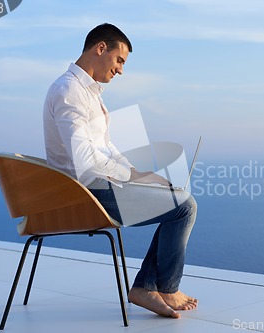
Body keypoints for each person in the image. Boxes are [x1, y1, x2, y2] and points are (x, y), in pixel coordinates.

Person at [43, 23, 198, 318]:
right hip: (86, 194)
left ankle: (151, 286)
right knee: (184, 207)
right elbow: (84, 159)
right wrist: (129, 177)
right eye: (120, 60)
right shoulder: (69, 91)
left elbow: (106, 148)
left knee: (177, 198)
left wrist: (140, 175)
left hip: (99, 186)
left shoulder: (89, 93)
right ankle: (159, 287)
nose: (121, 70)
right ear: (101, 48)